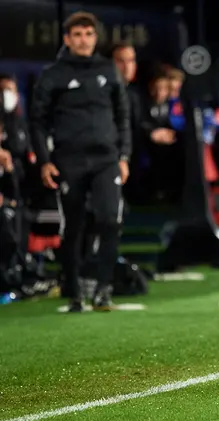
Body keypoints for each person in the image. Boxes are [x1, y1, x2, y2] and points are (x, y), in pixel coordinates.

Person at [29, 11, 131, 312]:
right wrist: (45, 161)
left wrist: (124, 156)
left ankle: (103, 288)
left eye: (88, 34)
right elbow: (37, 122)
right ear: (67, 39)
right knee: (73, 225)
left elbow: (122, 116)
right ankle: (73, 292)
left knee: (110, 219)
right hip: (69, 160)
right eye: (77, 35)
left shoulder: (108, 70)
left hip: (106, 160)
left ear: (95, 37)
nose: (83, 40)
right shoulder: (53, 74)